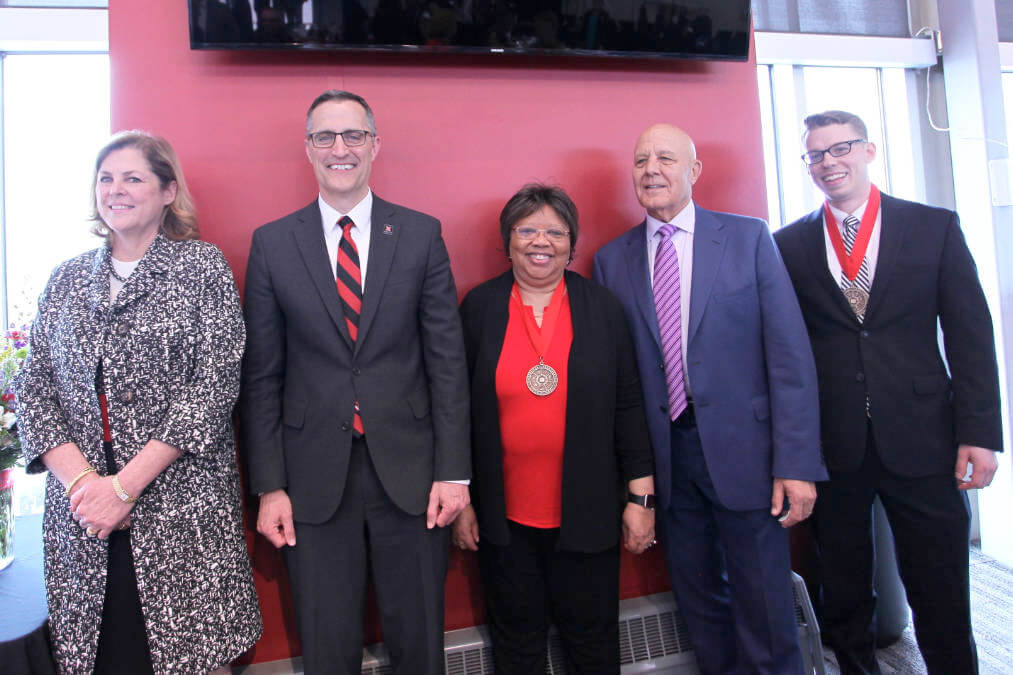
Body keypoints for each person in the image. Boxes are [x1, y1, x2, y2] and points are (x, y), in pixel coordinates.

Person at [13, 131, 262, 674]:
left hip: (179, 509)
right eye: (106, 178)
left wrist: (124, 487)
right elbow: (35, 392)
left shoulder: (201, 269)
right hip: (86, 519)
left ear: (168, 191)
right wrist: (87, 488)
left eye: (133, 178)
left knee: (193, 658)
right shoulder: (67, 279)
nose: (115, 190)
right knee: (104, 655)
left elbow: (213, 387)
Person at [240, 89, 471, 675]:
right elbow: (262, 375)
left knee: (420, 647)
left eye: (352, 136)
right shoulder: (272, 243)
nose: (339, 149)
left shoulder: (419, 235)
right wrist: (269, 487)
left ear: (374, 145)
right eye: (325, 136)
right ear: (308, 148)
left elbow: (447, 363)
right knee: (327, 649)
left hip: (415, 475)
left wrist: (453, 471)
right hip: (312, 480)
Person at [774, 110, 1003, 675]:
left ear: (869, 150)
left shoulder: (934, 227)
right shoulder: (788, 244)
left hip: (924, 434)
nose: (830, 162)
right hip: (835, 444)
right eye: (816, 155)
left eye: (841, 148)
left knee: (940, 585)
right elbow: (786, 354)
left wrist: (979, 433)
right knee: (846, 592)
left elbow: (971, 333)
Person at [593, 123, 827, 674]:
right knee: (700, 606)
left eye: (666, 158)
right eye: (641, 158)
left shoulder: (748, 238)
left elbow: (789, 359)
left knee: (765, 605)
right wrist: (637, 483)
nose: (652, 168)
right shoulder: (612, 260)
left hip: (749, 455)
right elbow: (622, 381)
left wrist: (796, 463)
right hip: (669, 459)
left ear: (694, 171)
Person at [452, 184, 656, 674]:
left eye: (554, 231)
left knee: (592, 641)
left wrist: (641, 498)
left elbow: (630, 404)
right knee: (517, 644)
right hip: (504, 520)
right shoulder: (478, 309)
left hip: (588, 512)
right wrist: (463, 502)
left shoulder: (603, 309)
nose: (540, 241)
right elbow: (456, 411)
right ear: (508, 240)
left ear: (571, 242)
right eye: (526, 229)